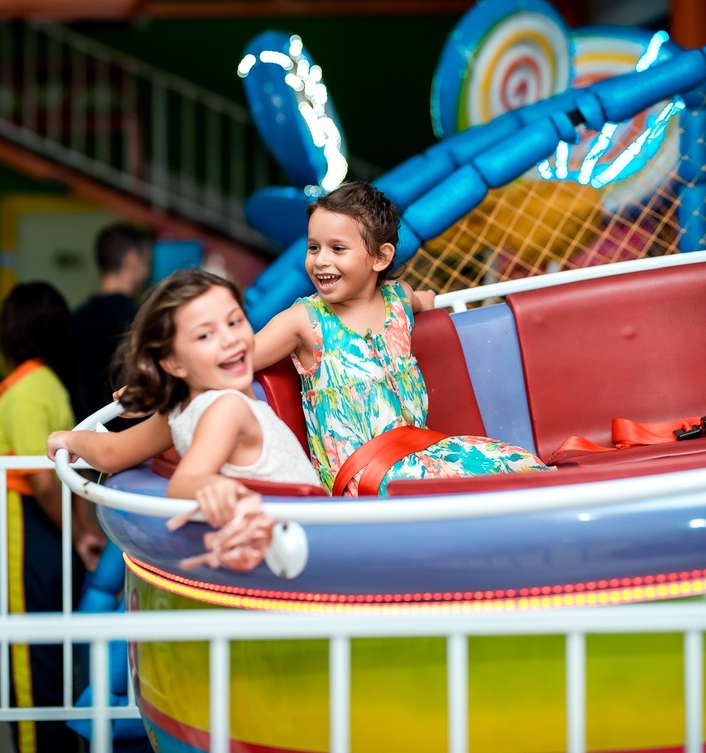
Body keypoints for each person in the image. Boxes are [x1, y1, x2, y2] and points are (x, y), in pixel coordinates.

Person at [253, 181, 551, 496]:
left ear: (381, 258)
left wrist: (428, 300)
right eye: (314, 247)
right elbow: (243, 356)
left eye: (337, 248)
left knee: (518, 462)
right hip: (365, 474)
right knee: (456, 488)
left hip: (420, 453)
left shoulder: (398, 300)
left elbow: (420, 298)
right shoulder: (303, 321)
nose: (320, 260)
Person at [47, 268, 320, 528]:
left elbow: (164, 476)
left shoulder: (223, 407)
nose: (229, 339)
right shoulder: (205, 408)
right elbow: (116, 454)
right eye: (205, 335)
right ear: (174, 363)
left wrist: (69, 438)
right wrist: (72, 439)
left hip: (308, 539)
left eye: (235, 321)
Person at [0, 282, 103, 753]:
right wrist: (78, 529)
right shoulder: (39, 384)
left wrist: (80, 534)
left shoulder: (29, 388)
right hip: (30, 527)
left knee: (29, 653)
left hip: (26, 526)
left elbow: (43, 480)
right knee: (42, 651)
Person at [70, 223, 153, 423]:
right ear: (132, 260)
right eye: (147, 261)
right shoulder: (138, 318)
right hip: (132, 433)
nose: (148, 270)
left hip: (87, 429)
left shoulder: (77, 318)